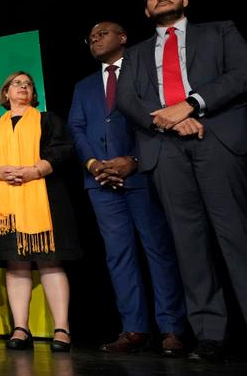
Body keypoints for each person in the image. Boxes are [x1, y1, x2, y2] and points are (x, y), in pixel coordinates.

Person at [117, 0, 247, 362]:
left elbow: (241, 74)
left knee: (236, 236)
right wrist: (169, 120)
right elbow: (128, 99)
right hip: (165, 149)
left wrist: (190, 104)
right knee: (188, 244)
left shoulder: (220, 31)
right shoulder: (138, 54)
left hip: (216, 137)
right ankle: (209, 335)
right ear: (146, 11)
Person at [67, 22, 186, 355]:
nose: (94, 37)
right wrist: (94, 165)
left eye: (102, 32)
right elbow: (76, 129)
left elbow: (157, 118)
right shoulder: (84, 85)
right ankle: (134, 329)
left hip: (142, 175)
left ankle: (172, 329)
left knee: (158, 251)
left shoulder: (145, 73)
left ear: (123, 37)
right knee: (118, 256)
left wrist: (133, 159)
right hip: (100, 182)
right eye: (90, 36)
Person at [0, 71, 82, 352]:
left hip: (46, 199)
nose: (22, 87)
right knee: (16, 264)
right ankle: (20, 328)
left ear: (33, 94)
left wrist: (35, 170)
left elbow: (62, 150)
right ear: (6, 93)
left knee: (50, 261)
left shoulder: (48, 120)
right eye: (16, 84)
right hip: (7, 205)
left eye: (27, 85)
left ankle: (62, 329)